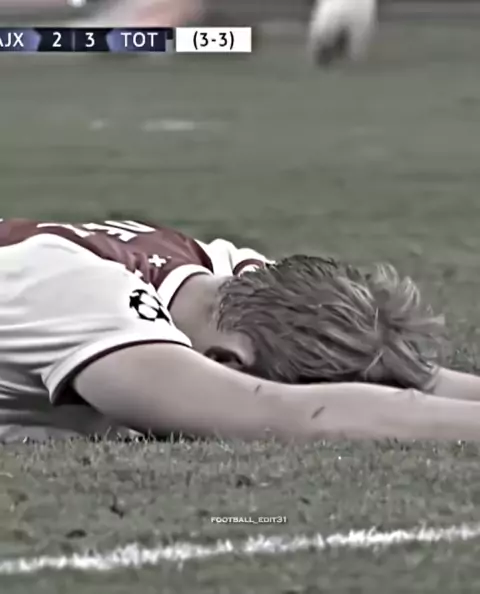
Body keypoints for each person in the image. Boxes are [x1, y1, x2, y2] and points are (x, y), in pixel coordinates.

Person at [0, 217, 479, 443]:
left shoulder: (228, 273)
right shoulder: (82, 298)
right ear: (228, 362)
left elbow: (419, 380)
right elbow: (295, 414)